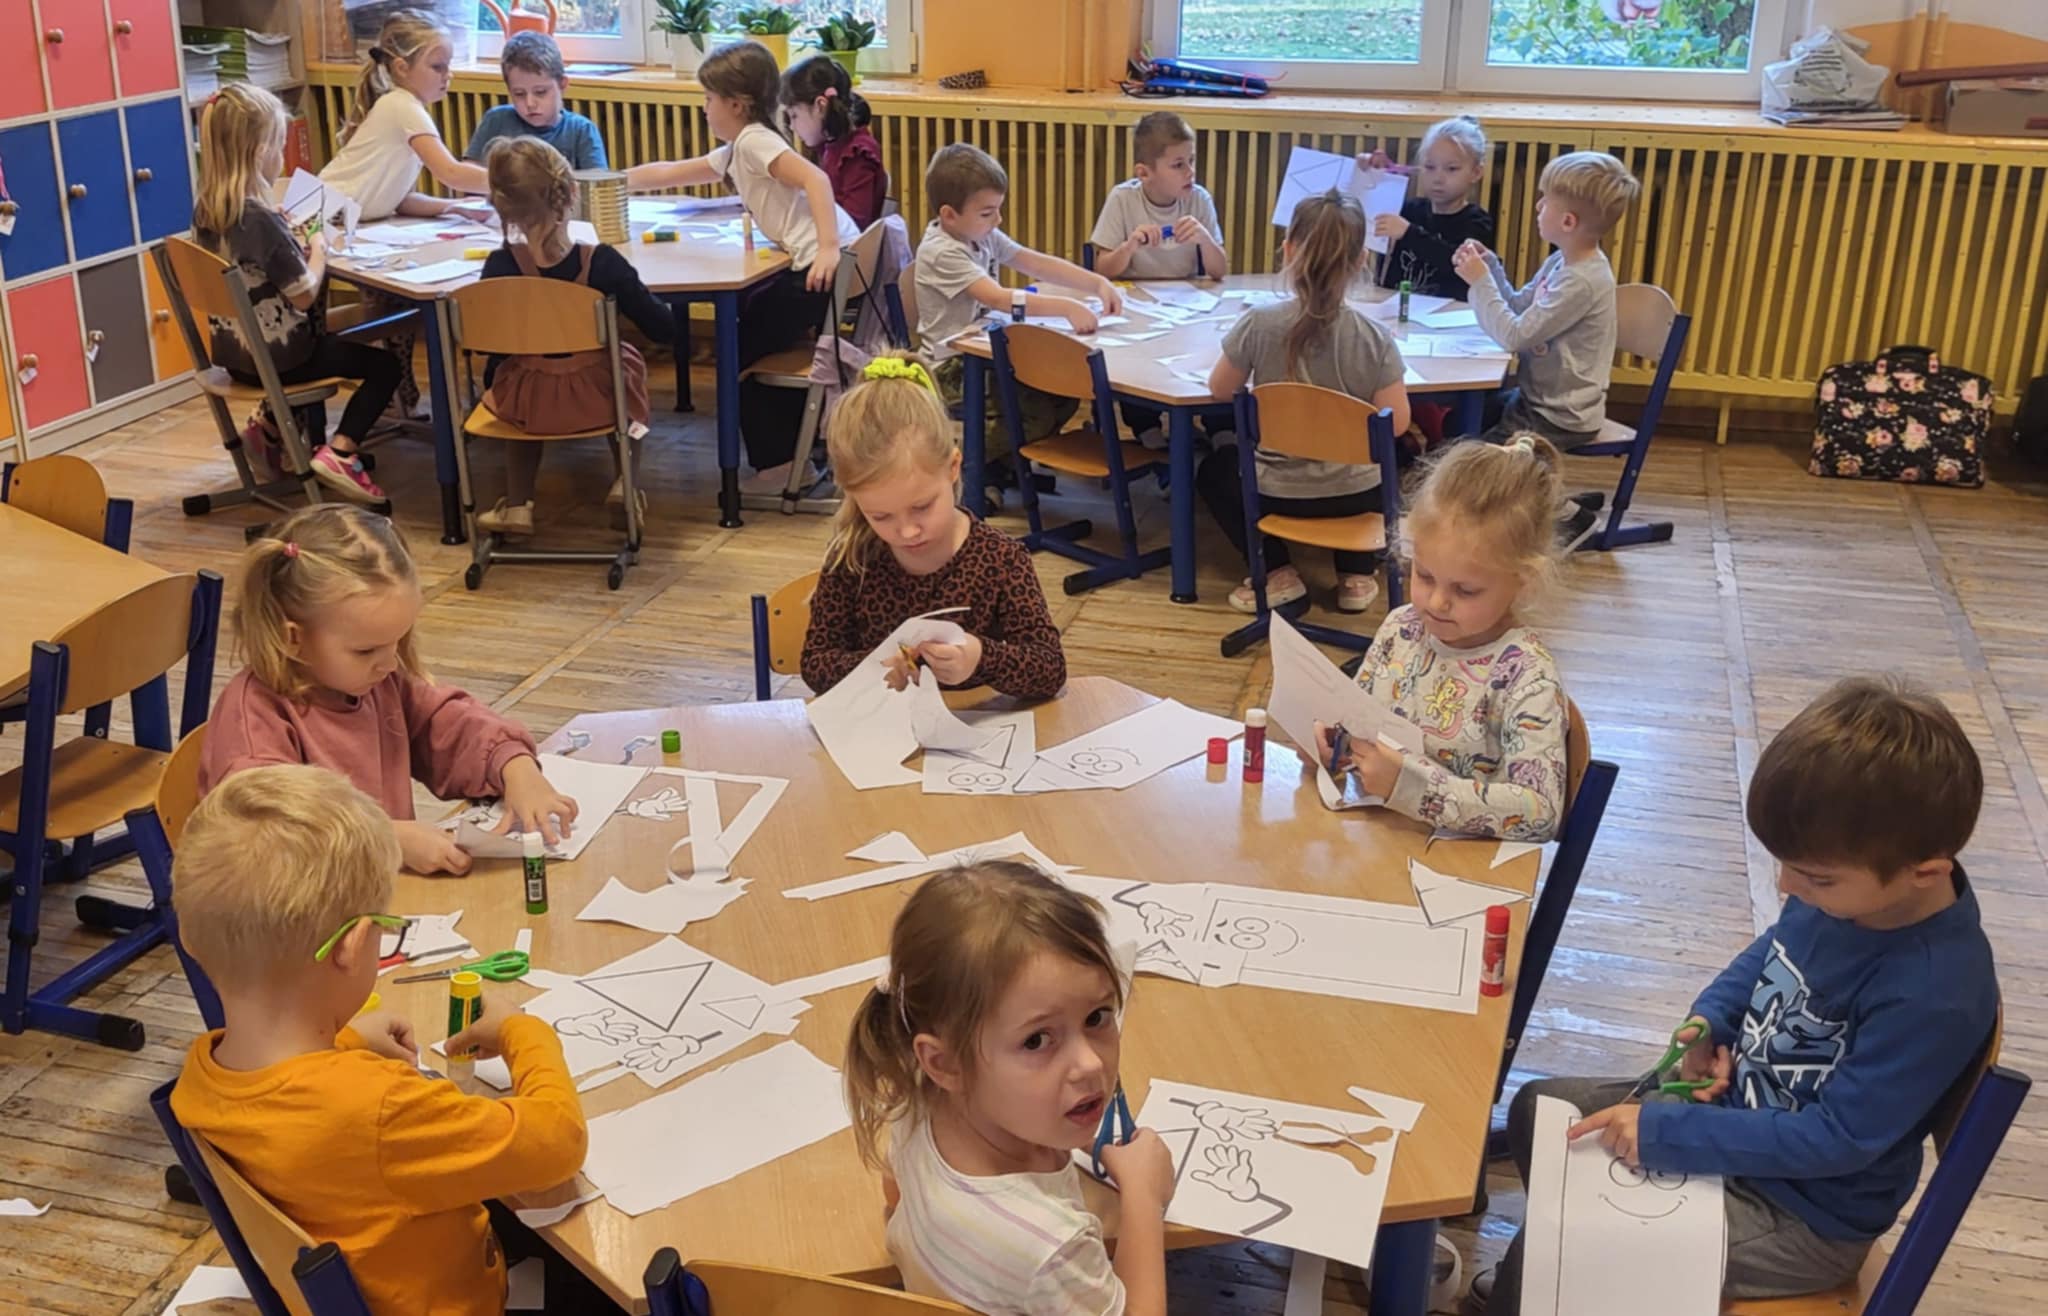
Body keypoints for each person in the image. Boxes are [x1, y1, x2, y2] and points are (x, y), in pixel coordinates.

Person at [1473, 676, 2000, 1314]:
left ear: (1926, 872)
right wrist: (1712, 1020)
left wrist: (1672, 1132)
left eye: (1814, 877)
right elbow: (1768, 954)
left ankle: (1546, 1288)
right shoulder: (1846, 897)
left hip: (1801, 1216)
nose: (1787, 888)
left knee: (1559, 1243)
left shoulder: (1936, 993)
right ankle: (1556, 1294)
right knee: (1539, 1108)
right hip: (1738, 1121)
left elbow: (1836, 1140)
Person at [169, 764, 596, 1316]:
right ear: (353, 946)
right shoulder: (382, 1108)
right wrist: (525, 1031)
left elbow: (303, 1107)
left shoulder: (203, 1076)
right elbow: (558, 1143)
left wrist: (343, 1041)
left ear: (191, 939)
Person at [843, 861, 1176, 1316]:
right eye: (1037, 1040)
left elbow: (895, 1192)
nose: (1091, 1063)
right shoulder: (1052, 1248)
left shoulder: (923, 1094)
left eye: (1096, 1017)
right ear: (945, 1063)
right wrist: (1143, 1194)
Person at [199, 504, 578, 876]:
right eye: (366, 650)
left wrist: (515, 767)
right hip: (298, 912)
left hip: (379, 894)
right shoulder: (255, 722)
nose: (390, 663)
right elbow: (270, 840)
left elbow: (447, 723)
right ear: (292, 639)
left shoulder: (375, 681)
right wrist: (388, 839)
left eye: (398, 640)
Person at [626, 41, 858, 484]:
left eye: (709, 98)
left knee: (738, 349)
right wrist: (615, 181)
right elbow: (672, 171)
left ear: (736, 104)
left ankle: (781, 466)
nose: (704, 108)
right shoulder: (742, 146)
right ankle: (793, 458)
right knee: (750, 336)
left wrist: (827, 246)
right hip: (831, 265)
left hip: (823, 268)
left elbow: (816, 179)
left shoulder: (753, 143)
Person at [1318, 435, 1570, 841]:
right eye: (1424, 575)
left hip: (1457, 864)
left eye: (1465, 590)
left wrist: (1414, 789)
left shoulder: (1526, 674)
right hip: (1375, 839)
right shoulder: (1401, 628)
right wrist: (1336, 740)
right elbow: (1356, 716)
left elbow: (1541, 813)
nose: (1436, 602)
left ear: (1523, 582)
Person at [1195, 190, 1410, 616]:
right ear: (1361, 261)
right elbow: (1397, 423)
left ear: (1289, 250)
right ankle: (1356, 573)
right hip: (1355, 494)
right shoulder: (1375, 339)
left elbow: (1220, 389)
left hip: (1276, 492)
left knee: (1214, 470)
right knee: (1392, 458)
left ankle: (1276, 571)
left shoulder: (1259, 323)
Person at [801, 359, 1066, 699]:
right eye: (881, 516)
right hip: (881, 726)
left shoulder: (1001, 559)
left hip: (974, 724)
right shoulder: (852, 558)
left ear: (953, 467)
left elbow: (1049, 669)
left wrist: (980, 658)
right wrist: (874, 667)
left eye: (922, 507)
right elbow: (816, 664)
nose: (907, 531)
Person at [192, 84, 401, 504]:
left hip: (237, 357)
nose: (282, 157)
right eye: (279, 147)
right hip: (281, 359)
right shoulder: (259, 220)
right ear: (259, 153)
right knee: (384, 366)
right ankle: (341, 452)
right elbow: (304, 295)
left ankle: (268, 428)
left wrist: (288, 241)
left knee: (329, 333)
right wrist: (318, 246)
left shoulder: (208, 210)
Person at [471, 138, 674, 538]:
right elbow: (662, 330)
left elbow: (485, 344)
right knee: (625, 371)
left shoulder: (499, 266)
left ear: (501, 205)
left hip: (526, 403)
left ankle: (518, 506)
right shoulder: (603, 263)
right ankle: (626, 485)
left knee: (517, 372)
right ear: (570, 193)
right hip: (600, 398)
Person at [915, 143, 1122, 462]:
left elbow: (1034, 262)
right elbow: (998, 298)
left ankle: (1004, 462)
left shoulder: (978, 233)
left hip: (983, 352)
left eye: (998, 209)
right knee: (1035, 413)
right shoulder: (941, 251)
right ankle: (956, 462)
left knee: (1062, 394)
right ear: (949, 215)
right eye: (987, 213)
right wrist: (1066, 307)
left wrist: (1097, 282)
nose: (998, 219)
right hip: (951, 367)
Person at [1454, 151, 1640, 457]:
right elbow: (1518, 307)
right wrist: (1490, 268)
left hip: (1559, 417)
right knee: (1460, 422)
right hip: (1535, 401)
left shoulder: (1581, 281)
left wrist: (1480, 282)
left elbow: (1514, 336)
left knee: (1474, 456)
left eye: (1545, 201)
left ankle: (1539, 492)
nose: (1538, 206)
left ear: (1568, 221)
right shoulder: (1561, 261)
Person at [1090, 108, 1229, 449]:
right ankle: (1149, 433)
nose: (1190, 172)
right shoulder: (1123, 198)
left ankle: (1221, 433)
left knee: (1217, 350)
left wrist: (1205, 239)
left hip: (1187, 305)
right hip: (1137, 304)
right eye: (1178, 164)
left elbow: (1219, 271)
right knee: (1132, 357)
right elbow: (1102, 269)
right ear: (1144, 173)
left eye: (1191, 161)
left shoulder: (1199, 199)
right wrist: (1129, 246)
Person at [320, 9, 490, 222]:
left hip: (335, 220)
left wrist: (453, 206)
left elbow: (401, 201)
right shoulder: (403, 107)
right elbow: (450, 173)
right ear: (402, 68)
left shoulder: (402, 105)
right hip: (319, 217)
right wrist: (513, 183)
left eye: (448, 65)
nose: (449, 75)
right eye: (438, 67)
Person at [1362, 116, 1494, 302]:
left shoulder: (1477, 222)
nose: (1438, 178)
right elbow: (1365, 215)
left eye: (1451, 169)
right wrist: (1370, 174)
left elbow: (1456, 263)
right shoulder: (1409, 210)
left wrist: (1408, 233)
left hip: (1451, 313)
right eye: (1430, 167)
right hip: (1396, 308)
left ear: (1476, 172)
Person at [463, 30, 608, 170]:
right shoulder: (496, 120)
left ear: (562, 85)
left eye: (540, 92)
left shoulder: (581, 130)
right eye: (519, 94)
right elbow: (468, 174)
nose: (530, 104)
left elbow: (596, 182)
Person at [781, 54, 886, 230]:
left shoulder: (857, 154)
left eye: (794, 116)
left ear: (820, 106)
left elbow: (855, 224)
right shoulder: (829, 145)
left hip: (846, 244)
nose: (792, 126)